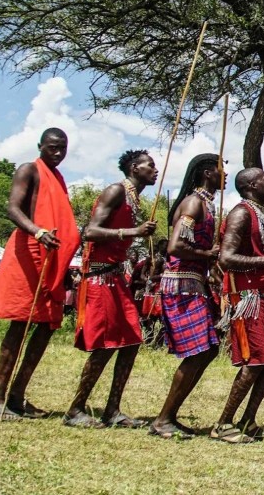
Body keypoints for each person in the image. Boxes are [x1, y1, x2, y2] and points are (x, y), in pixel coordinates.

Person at [0, 128, 81, 420]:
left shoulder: (59, 179)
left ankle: (17, 396)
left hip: (52, 256)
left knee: (48, 325)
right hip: (30, 252)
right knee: (20, 325)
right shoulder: (29, 170)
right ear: (40, 146)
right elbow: (13, 208)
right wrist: (37, 231)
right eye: (53, 148)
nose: (58, 153)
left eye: (62, 148)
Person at [63, 149, 158, 429]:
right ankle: (75, 409)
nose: (154, 170)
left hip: (116, 278)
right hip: (99, 276)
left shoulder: (133, 197)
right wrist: (131, 232)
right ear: (133, 167)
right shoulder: (116, 191)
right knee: (105, 345)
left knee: (131, 341)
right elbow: (89, 232)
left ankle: (112, 409)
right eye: (149, 166)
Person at [213, 168, 264, 443]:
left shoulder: (257, 213)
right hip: (247, 298)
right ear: (251, 185)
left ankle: (248, 419)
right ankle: (223, 424)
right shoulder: (241, 213)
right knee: (256, 359)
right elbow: (226, 258)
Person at [149, 153, 223, 439]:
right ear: (207, 173)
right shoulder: (194, 203)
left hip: (195, 282)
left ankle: (169, 416)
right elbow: (175, 246)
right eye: (220, 170)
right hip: (181, 284)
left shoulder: (205, 204)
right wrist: (208, 254)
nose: (225, 176)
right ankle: (163, 419)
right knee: (200, 349)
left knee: (209, 349)